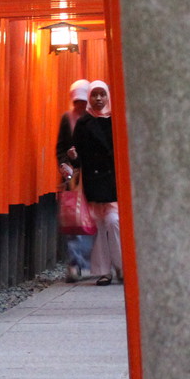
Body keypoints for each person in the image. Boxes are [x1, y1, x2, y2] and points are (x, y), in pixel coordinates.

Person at [70, 79, 122, 285]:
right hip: (94, 181)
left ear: (108, 96)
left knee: (114, 221)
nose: (98, 99)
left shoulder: (116, 120)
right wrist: (73, 157)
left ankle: (121, 264)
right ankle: (104, 270)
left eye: (102, 94)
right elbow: (80, 155)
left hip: (113, 181)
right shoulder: (84, 123)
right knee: (99, 225)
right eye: (94, 95)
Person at [55, 79, 94, 281]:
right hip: (74, 177)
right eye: (77, 101)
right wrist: (64, 164)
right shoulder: (67, 119)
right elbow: (61, 147)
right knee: (74, 220)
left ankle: (86, 263)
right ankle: (76, 263)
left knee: (91, 220)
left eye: (83, 100)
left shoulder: (98, 118)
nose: (81, 105)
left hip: (94, 176)